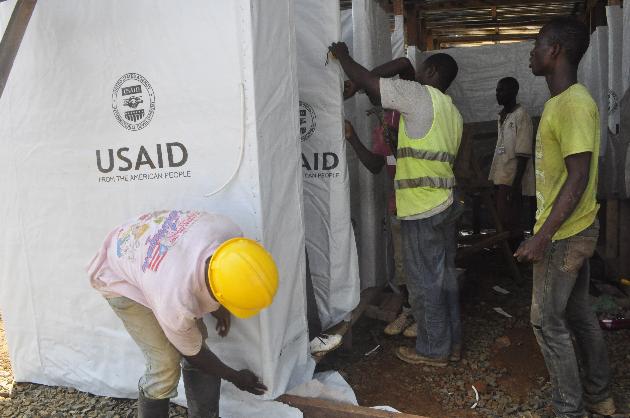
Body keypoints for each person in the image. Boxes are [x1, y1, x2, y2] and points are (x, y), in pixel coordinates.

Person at [329, 42, 464, 367]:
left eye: (420, 72)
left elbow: (375, 82)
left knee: (423, 283)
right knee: (444, 280)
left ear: (430, 73)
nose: (413, 77)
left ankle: (434, 351)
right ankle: (452, 343)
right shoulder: (452, 111)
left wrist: (344, 56)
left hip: (421, 208)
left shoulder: (419, 96)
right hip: (444, 204)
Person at [515, 17, 615, 417]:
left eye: (537, 45)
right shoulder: (564, 102)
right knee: (577, 314)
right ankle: (601, 397)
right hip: (575, 229)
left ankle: (569, 408)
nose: (532, 53)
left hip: (564, 235)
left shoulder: (572, 103)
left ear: (554, 50)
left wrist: (542, 237)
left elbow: (578, 177)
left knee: (545, 322)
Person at [87, 210, 277, 418]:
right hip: (117, 275)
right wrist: (236, 377)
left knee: (197, 342)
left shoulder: (230, 236)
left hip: (153, 259)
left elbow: (225, 276)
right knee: (165, 365)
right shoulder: (176, 299)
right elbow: (194, 354)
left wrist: (221, 305)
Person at [344, 116, 417, 338]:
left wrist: (394, 140)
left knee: (424, 263)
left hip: (424, 204)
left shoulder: (415, 115)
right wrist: (352, 137)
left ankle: (427, 317)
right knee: (402, 264)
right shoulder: (385, 121)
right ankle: (409, 312)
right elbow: (376, 164)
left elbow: (415, 163)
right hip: (399, 204)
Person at [489, 77, 536, 245]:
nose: (497, 94)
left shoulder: (521, 116)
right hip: (501, 177)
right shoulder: (503, 117)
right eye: (497, 90)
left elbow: (523, 155)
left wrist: (515, 187)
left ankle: (514, 258)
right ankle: (507, 258)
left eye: (501, 90)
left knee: (511, 222)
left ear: (513, 92)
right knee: (502, 221)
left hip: (512, 181)